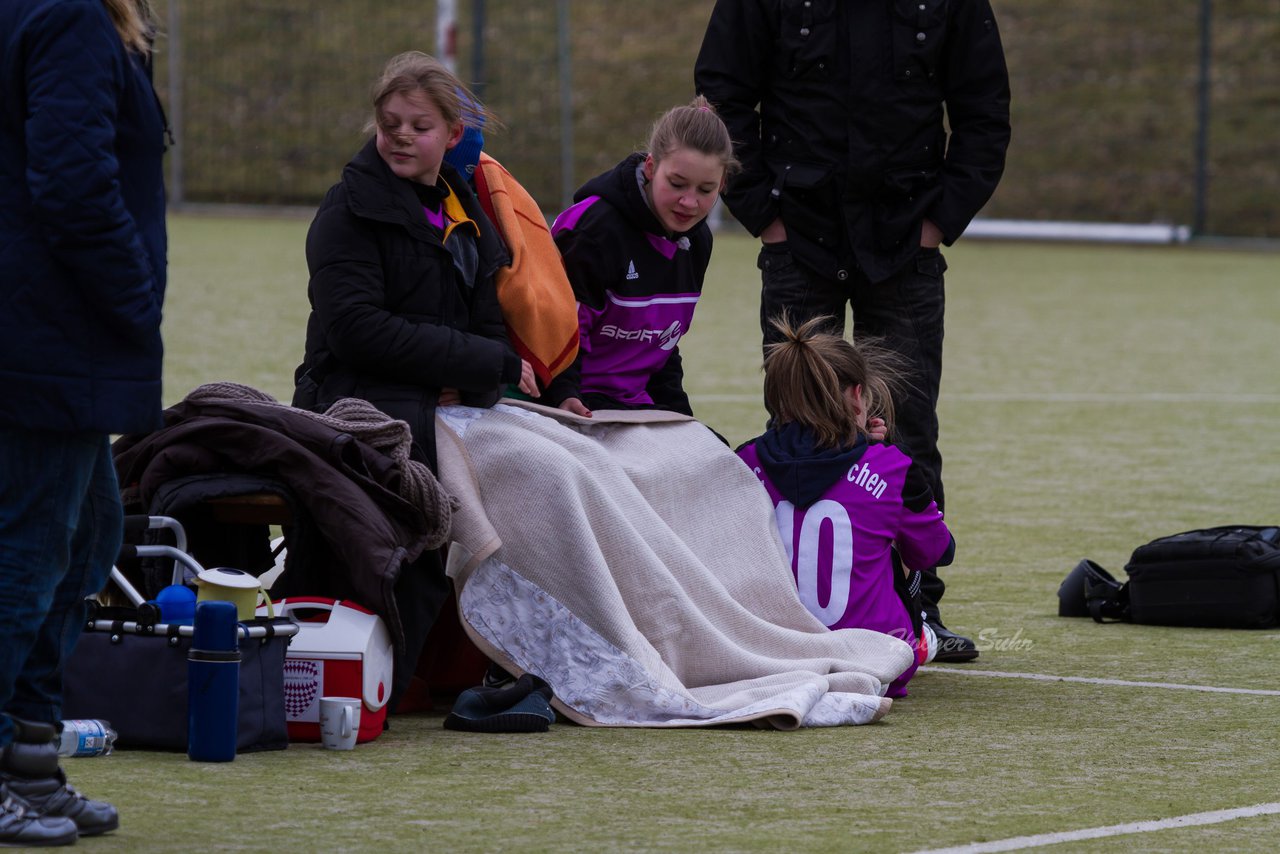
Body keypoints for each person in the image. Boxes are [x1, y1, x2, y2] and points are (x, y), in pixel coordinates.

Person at [695, 0, 1012, 660]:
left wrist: (939, 221)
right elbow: (720, 96)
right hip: (798, 234)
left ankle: (917, 604)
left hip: (906, 241)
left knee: (907, 424)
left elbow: (985, 113)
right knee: (795, 418)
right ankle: (785, 602)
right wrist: (762, 213)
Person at [291, 51, 537, 710]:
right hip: (358, 406)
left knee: (560, 472)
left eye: (419, 126)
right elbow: (358, 335)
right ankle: (402, 672)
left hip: (447, 406)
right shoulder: (348, 211)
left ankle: (537, 656)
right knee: (474, 484)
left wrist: (476, 377)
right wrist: (473, 370)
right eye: (390, 122)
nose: (401, 135)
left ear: (453, 137)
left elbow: (490, 332)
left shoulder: (465, 215)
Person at [0, 0, 168, 844]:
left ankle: (28, 762)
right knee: (28, 556)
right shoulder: (68, 15)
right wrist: (133, 299)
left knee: (89, 536)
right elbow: (72, 183)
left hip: (51, 333)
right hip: (50, 335)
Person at [737, 316, 955, 697]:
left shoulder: (742, 462)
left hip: (764, 658)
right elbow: (937, 551)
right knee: (902, 543)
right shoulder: (892, 466)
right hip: (873, 661)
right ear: (857, 396)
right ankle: (920, 636)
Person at [542, 96, 739, 418]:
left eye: (706, 190)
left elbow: (661, 346)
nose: (689, 202)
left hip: (634, 404)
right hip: (574, 400)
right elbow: (558, 329)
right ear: (651, 167)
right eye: (677, 184)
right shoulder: (594, 230)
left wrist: (680, 414)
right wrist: (564, 395)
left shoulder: (697, 239)